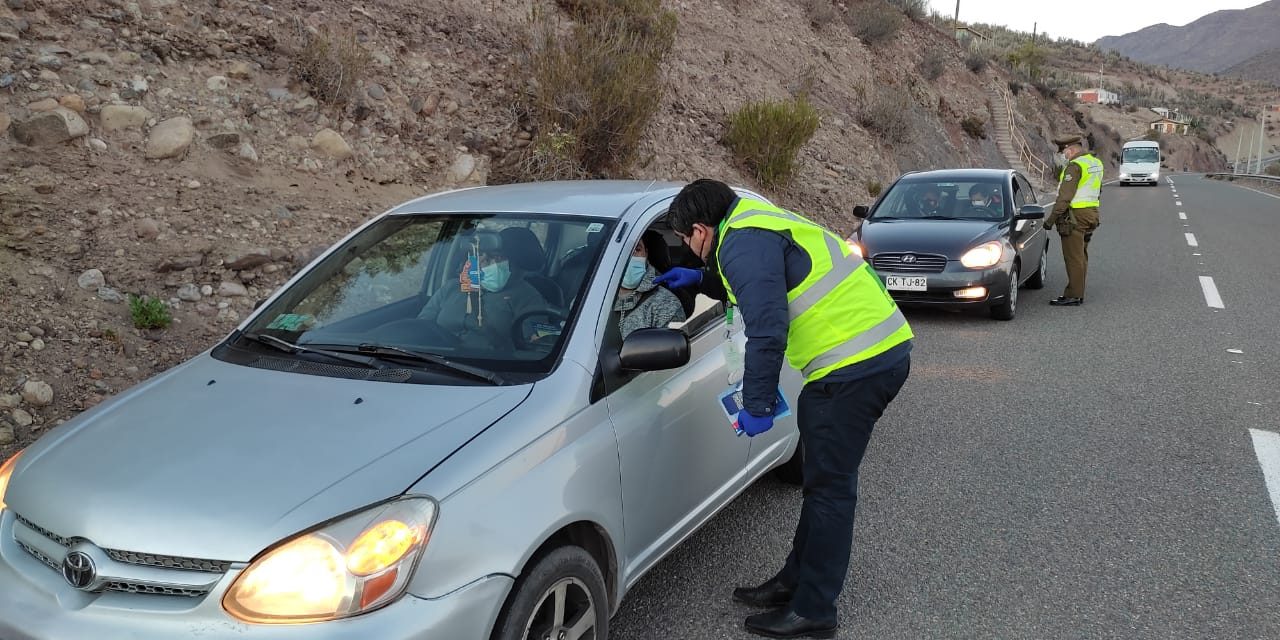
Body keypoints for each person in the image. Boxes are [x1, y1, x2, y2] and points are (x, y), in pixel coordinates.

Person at [655, 179, 913, 639]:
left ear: (700, 229)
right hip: (866, 357)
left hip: (856, 367)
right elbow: (765, 275)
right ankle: (793, 582)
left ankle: (815, 610)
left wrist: (755, 404)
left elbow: (768, 330)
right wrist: (700, 279)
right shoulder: (752, 222)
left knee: (831, 491)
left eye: (685, 244)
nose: (688, 251)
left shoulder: (740, 242)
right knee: (818, 482)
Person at [416, 228, 549, 350]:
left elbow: (533, 347)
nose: (484, 261)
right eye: (482, 254)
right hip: (436, 362)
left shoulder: (530, 298)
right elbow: (422, 327)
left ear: (516, 263)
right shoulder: (452, 287)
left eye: (497, 257)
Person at [1045, 134, 1103, 306]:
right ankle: (1078, 291)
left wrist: (1050, 220)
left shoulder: (1074, 166)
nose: (1063, 156)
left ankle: (1074, 295)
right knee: (1082, 255)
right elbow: (1098, 189)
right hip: (1092, 213)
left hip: (1075, 216)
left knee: (1073, 257)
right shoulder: (1095, 162)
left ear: (1069, 150)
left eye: (1063, 153)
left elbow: (1064, 198)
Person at [614, 231, 686, 338]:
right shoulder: (590, 296)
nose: (630, 257)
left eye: (637, 250)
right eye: (622, 252)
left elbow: (669, 350)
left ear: (646, 254)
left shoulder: (665, 304)